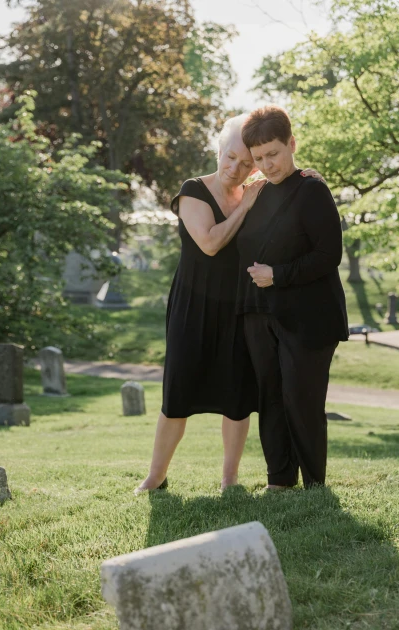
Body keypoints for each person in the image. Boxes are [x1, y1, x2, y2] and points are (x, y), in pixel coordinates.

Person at [135, 115, 324, 493]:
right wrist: (245, 206)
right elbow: (209, 243)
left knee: (237, 397)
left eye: (247, 163)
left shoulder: (257, 192)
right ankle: (155, 478)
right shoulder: (193, 191)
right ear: (218, 151)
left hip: (239, 306)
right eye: (230, 158)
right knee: (178, 393)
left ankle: (230, 479)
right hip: (193, 305)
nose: (236, 169)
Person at [236, 105, 349, 490]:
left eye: (274, 154)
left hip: (309, 317)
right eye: (259, 158)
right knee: (270, 398)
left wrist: (277, 275)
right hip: (258, 315)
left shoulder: (312, 188)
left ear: (292, 144)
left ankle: (315, 484)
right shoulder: (254, 193)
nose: (268, 164)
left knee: (302, 400)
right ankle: (279, 481)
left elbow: (328, 255)